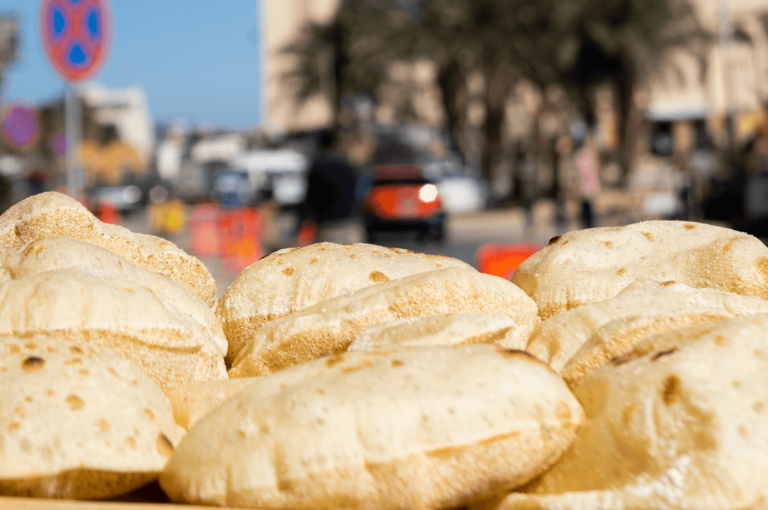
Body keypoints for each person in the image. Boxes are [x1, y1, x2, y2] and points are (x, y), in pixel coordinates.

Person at [298, 131, 363, 245]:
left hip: (329, 225)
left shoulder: (317, 167)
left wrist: (306, 221)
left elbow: (311, 199)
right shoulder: (348, 165)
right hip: (351, 223)